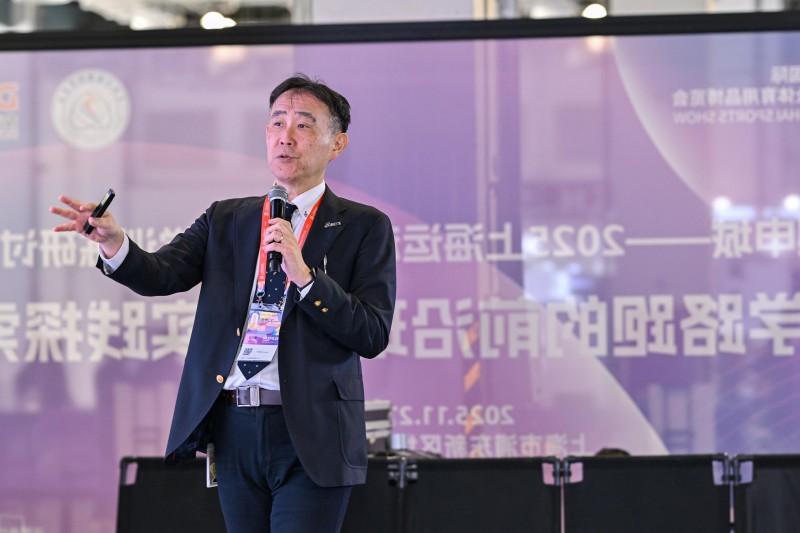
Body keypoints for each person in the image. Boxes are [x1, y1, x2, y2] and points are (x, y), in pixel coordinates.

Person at [51, 74, 397, 532]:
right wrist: (115, 243)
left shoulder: (363, 226)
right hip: (235, 425)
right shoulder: (227, 218)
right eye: (277, 123)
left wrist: (307, 278)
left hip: (314, 431)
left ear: (337, 144)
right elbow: (162, 273)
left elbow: (372, 332)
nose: (286, 137)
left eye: (303, 125)